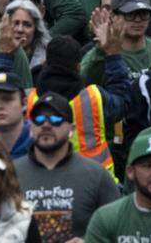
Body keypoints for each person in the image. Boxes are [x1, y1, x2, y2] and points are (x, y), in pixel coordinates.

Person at [14, 92, 120, 241]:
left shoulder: (97, 176)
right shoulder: (10, 174)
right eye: (39, 119)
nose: (46, 125)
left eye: (56, 119)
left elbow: (120, 231)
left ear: (72, 129)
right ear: (31, 128)